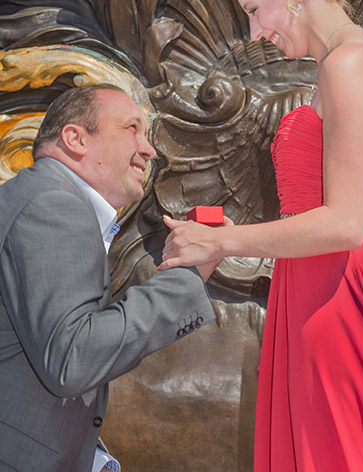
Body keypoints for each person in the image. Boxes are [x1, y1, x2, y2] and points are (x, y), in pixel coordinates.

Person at [158, 0, 363, 471]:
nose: (253, 33)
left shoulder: (350, 64)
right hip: (317, 284)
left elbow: (342, 222)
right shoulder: (338, 66)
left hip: (336, 296)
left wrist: (220, 242)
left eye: (252, 8)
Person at [0, 83, 220, 472]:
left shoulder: (34, 196)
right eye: (131, 128)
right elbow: (73, 358)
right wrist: (188, 278)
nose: (149, 149)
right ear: (75, 139)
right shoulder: (55, 205)